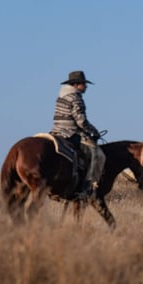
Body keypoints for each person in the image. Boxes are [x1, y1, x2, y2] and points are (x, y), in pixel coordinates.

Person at [50, 70, 106, 200]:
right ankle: (88, 188)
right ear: (76, 85)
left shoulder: (61, 96)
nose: (86, 86)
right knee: (98, 154)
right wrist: (94, 131)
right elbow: (81, 121)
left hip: (56, 131)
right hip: (71, 132)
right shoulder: (76, 98)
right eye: (83, 84)